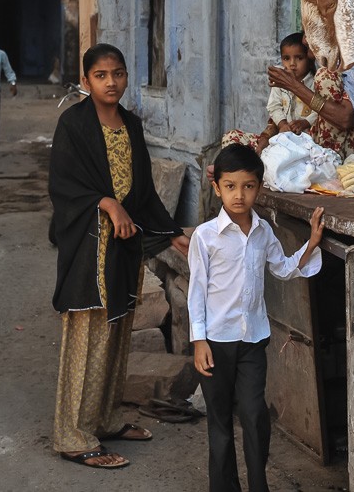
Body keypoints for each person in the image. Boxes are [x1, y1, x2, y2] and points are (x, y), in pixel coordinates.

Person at [49, 43, 189, 469]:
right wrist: (107, 204)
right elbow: (64, 186)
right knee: (87, 336)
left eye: (119, 73)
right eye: (102, 75)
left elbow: (142, 188)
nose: (112, 82)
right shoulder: (73, 124)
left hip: (121, 251)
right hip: (89, 248)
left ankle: (106, 419)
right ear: (87, 79)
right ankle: (72, 435)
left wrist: (169, 233)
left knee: (115, 334)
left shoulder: (130, 122)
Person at [188, 144, 325, 492]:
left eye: (248, 186)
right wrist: (198, 340)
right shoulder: (205, 237)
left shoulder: (263, 231)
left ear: (259, 188)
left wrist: (310, 244)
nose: (239, 195)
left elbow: (281, 267)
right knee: (219, 424)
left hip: (252, 339)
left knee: (253, 415)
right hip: (215, 341)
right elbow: (196, 292)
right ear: (216, 187)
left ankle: (258, 486)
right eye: (230, 186)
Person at [267, 38, 354, 160]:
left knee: (325, 77)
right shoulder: (328, 64)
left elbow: (344, 118)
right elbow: (275, 107)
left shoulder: (352, 67)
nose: (304, 40)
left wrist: (293, 86)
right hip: (318, 147)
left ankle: (331, 160)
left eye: (308, 32)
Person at [222, 32, 317, 155]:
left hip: (305, 144)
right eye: (286, 58)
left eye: (299, 58)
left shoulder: (315, 82)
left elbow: (320, 112)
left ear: (309, 59)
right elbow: (273, 106)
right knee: (231, 138)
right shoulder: (280, 79)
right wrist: (282, 124)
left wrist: (304, 123)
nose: (292, 64)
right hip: (280, 139)